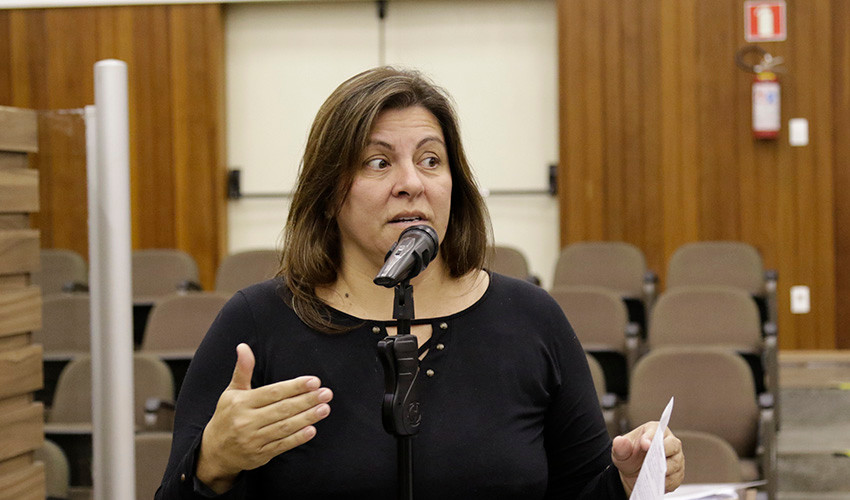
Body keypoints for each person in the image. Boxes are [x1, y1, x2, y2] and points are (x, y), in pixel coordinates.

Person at [156, 66, 684, 499]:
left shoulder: (530, 320)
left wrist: (629, 482)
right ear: (326, 191)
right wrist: (212, 464)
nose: (411, 183)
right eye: (378, 162)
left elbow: (581, 492)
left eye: (431, 160)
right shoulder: (259, 323)